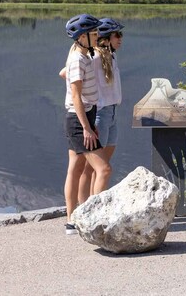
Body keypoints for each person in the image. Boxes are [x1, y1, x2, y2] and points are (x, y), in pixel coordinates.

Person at [62, 13, 112, 235]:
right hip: (78, 119)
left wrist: (90, 122)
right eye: (93, 33)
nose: (97, 36)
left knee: (76, 168)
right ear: (82, 37)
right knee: (103, 169)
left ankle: (72, 220)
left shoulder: (84, 54)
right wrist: (86, 127)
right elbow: (75, 96)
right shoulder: (77, 60)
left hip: (87, 115)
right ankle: (93, 217)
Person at [77, 17, 125, 200]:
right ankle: (87, 210)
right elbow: (67, 73)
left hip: (112, 114)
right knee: (91, 168)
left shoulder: (110, 55)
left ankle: (94, 203)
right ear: (105, 38)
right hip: (100, 114)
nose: (120, 38)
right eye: (117, 35)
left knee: (102, 166)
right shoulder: (94, 57)